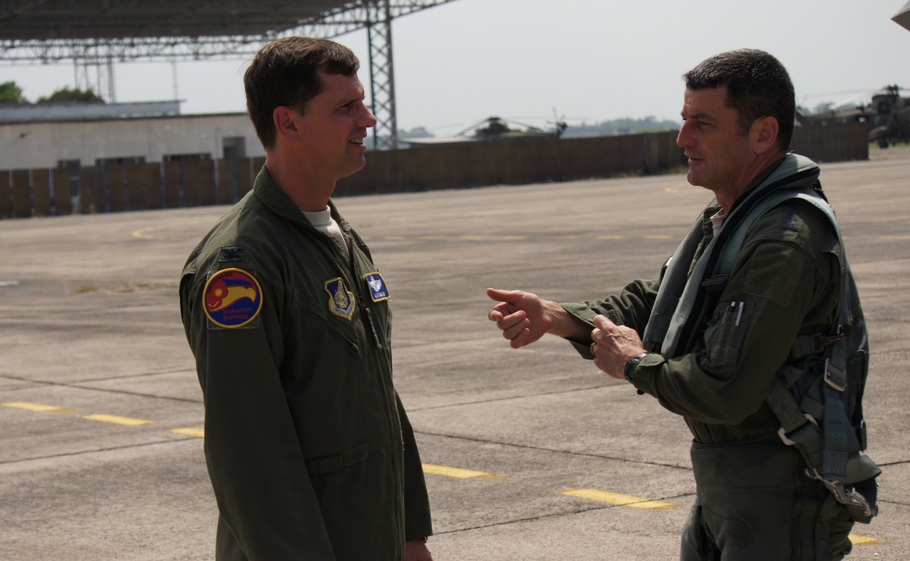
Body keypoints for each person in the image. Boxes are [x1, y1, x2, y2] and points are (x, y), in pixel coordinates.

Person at [487, 49, 876, 560]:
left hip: (780, 488)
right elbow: (666, 301)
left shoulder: (785, 238)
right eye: (684, 120)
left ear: (762, 134)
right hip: (733, 480)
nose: (682, 138)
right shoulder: (734, 217)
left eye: (702, 123)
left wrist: (633, 365)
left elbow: (725, 388)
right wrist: (557, 317)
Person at [179, 36, 434, 561]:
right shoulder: (241, 265)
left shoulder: (337, 237)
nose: (367, 119)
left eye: (362, 103)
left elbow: (377, 395)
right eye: (345, 108)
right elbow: (248, 450)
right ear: (288, 122)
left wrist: (409, 532)